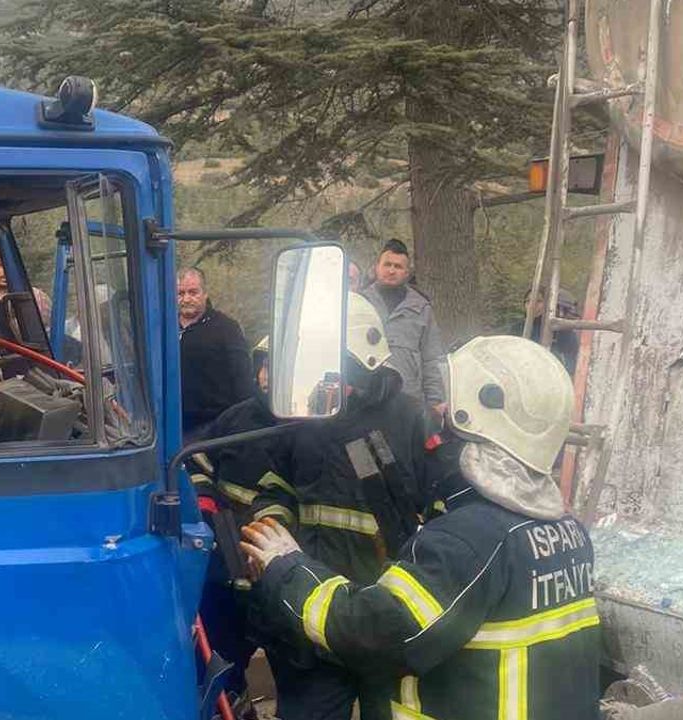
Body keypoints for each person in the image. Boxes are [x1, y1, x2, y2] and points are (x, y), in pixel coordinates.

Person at [241, 335, 600, 720]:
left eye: (450, 410)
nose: (439, 414)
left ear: (480, 424)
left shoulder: (468, 542)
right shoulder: (569, 533)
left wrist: (287, 566)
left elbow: (370, 632)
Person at [248, 293, 429, 720]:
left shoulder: (409, 419)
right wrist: (271, 523)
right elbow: (276, 484)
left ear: (363, 362)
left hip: (385, 618)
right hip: (311, 621)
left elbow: (439, 506)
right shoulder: (307, 414)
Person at [187, 337, 276, 718]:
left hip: (280, 568)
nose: (267, 375)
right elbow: (196, 462)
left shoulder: (313, 428)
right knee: (222, 651)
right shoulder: (237, 419)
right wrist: (207, 505)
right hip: (227, 560)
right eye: (265, 365)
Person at [363, 239, 446, 417]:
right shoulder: (360, 303)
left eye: (398, 266)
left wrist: (436, 402)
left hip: (409, 401)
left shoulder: (421, 308)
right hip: (365, 399)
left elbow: (432, 359)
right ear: (377, 267)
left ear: (407, 272)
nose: (391, 270)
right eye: (387, 264)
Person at [177, 267, 255, 438]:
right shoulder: (164, 328)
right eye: (181, 293)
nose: (186, 299)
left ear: (205, 293)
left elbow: (243, 382)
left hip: (214, 429)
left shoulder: (226, 328)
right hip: (170, 426)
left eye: (193, 292)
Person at [514, 287, 580, 376]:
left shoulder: (561, 331)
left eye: (538, 301)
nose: (532, 305)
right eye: (528, 301)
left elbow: (570, 365)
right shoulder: (516, 328)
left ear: (548, 304)